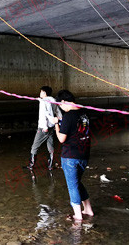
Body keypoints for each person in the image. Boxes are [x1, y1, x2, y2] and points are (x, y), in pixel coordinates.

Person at [53, 90, 93, 221]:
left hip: (70, 156)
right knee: (77, 183)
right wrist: (62, 121)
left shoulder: (68, 116)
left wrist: (56, 125)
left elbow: (61, 139)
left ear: (63, 101)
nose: (61, 107)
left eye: (60, 105)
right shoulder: (84, 113)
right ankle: (88, 209)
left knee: (72, 185)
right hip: (84, 155)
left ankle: (78, 215)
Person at [27, 86, 62, 170]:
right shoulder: (53, 100)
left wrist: (45, 127)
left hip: (43, 127)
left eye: (41, 92)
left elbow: (45, 114)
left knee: (34, 146)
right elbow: (58, 112)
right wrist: (60, 121)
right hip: (51, 126)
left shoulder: (44, 101)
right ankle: (50, 165)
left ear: (44, 93)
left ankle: (31, 165)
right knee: (50, 145)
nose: (40, 94)